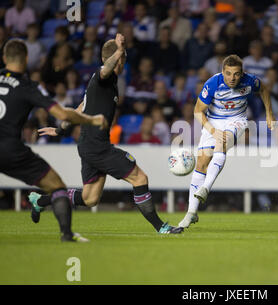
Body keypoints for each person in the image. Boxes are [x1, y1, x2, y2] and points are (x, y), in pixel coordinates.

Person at [32, 34, 183, 235]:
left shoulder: (100, 84)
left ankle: (40, 200)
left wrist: (60, 128)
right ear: (114, 59)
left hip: (89, 145)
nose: (124, 65)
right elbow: (105, 70)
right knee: (140, 178)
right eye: (122, 60)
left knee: (89, 199)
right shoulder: (104, 76)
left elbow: (79, 109)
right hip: (96, 146)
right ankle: (161, 227)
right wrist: (120, 50)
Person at [0, 39, 107, 242]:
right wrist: (92, 119)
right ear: (26, 59)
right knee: (57, 187)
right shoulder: (27, 86)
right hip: (10, 149)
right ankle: (67, 235)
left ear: (4, 58)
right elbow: (63, 114)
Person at [177, 54, 276, 228]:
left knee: (222, 141)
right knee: (201, 162)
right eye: (228, 73)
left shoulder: (250, 81)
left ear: (242, 73)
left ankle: (206, 187)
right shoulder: (213, 84)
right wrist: (213, 130)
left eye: (236, 74)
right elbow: (197, 111)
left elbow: (264, 89)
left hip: (237, 119)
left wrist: (269, 113)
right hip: (213, 121)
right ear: (222, 71)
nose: (232, 78)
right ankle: (191, 213)